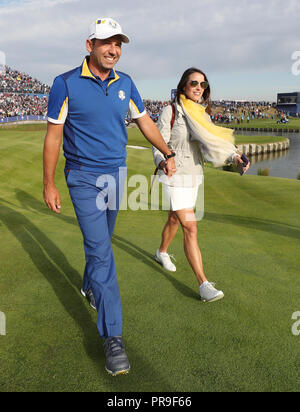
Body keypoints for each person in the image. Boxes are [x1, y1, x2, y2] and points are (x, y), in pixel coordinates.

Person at [43, 17, 176, 376]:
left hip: (117, 176)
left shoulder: (126, 83)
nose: (113, 49)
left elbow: (145, 121)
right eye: (106, 43)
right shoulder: (65, 83)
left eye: (118, 43)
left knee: (101, 244)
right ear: (90, 45)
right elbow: (54, 136)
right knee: (102, 253)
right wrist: (49, 183)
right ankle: (113, 338)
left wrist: (167, 153)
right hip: (83, 178)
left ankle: (88, 286)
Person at [152, 68, 250, 303]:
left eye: (203, 84)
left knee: (175, 219)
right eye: (193, 83)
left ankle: (161, 252)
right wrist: (163, 160)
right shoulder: (170, 111)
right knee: (190, 227)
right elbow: (157, 142)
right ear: (183, 86)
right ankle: (203, 284)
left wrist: (234, 157)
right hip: (173, 174)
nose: (198, 87)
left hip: (194, 176)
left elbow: (213, 144)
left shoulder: (202, 115)